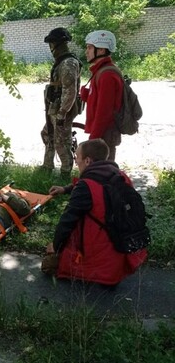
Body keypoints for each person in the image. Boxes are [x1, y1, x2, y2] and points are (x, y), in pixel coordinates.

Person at [42, 139, 147, 285]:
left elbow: (67, 221)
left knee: (48, 266)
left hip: (101, 264)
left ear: (87, 161)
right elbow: (96, 186)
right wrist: (65, 189)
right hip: (122, 250)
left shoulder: (85, 187)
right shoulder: (119, 175)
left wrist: (56, 246)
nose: (76, 161)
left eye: (77, 157)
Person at [41, 27, 82, 178]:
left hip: (62, 110)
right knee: (47, 134)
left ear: (57, 44)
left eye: (51, 44)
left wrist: (62, 113)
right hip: (55, 107)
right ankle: (47, 166)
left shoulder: (68, 63)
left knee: (61, 142)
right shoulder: (63, 62)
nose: (50, 47)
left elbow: (70, 91)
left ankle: (65, 173)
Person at [80, 30, 123, 160]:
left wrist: (93, 138)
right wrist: (87, 95)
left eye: (89, 48)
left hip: (104, 135)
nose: (86, 52)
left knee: (102, 170)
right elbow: (100, 100)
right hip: (101, 134)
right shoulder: (100, 71)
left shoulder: (107, 75)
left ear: (101, 50)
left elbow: (105, 111)